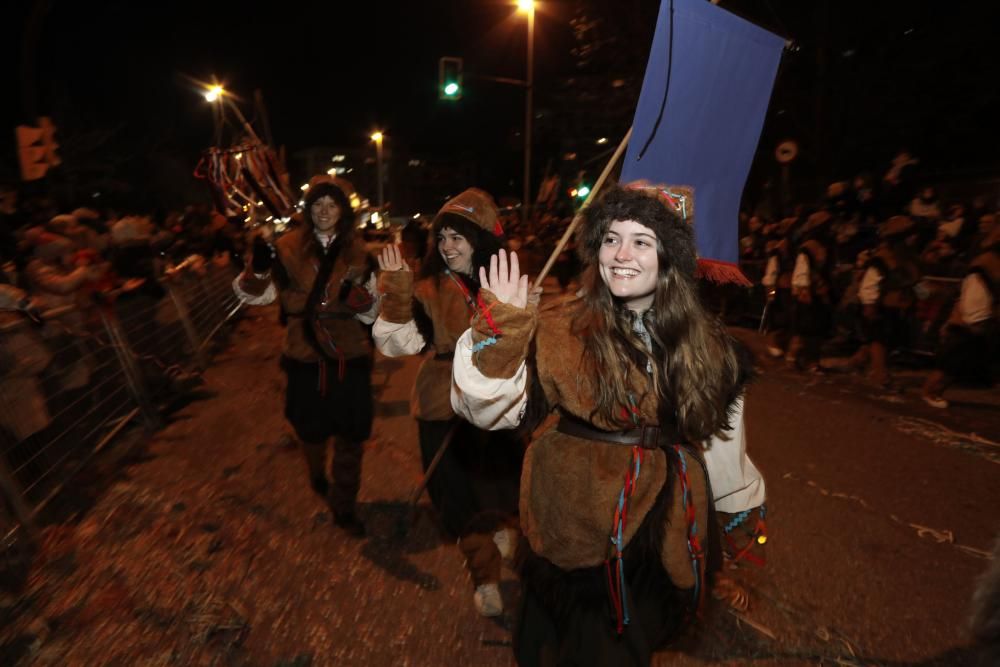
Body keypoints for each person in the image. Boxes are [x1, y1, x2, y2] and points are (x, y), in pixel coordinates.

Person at [451, 184, 766, 665]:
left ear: (669, 256)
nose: (622, 254)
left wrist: (735, 544)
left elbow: (723, 451)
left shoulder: (710, 346)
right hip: (569, 523)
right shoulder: (558, 327)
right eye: (611, 238)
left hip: (656, 537)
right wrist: (500, 336)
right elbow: (489, 408)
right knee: (543, 648)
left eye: (641, 241)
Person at [373, 188, 523, 617]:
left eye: (458, 237)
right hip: (444, 404)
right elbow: (397, 344)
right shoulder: (427, 289)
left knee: (501, 490)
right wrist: (398, 298)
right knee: (458, 502)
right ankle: (485, 577)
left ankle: (501, 529)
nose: (448, 246)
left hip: (497, 405)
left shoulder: (505, 284)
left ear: (480, 240)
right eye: (442, 238)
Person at [234, 175, 379, 537]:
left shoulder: (358, 251)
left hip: (348, 352)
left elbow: (371, 311)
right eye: (317, 205)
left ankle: (345, 504)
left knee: (351, 434)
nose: (324, 211)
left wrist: (355, 298)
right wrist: (258, 267)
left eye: (332, 205)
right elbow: (255, 295)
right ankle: (316, 471)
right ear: (308, 209)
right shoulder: (284, 248)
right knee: (311, 431)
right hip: (303, 354)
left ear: (343, 211)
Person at [921, 225, 998, 408]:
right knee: (951, 362)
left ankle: (935, 390)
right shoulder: (986, 264)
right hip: (970, 322)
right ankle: (930, 391)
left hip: (980, 321)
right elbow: (975, 296)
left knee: (963, 362)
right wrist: (972, 320)